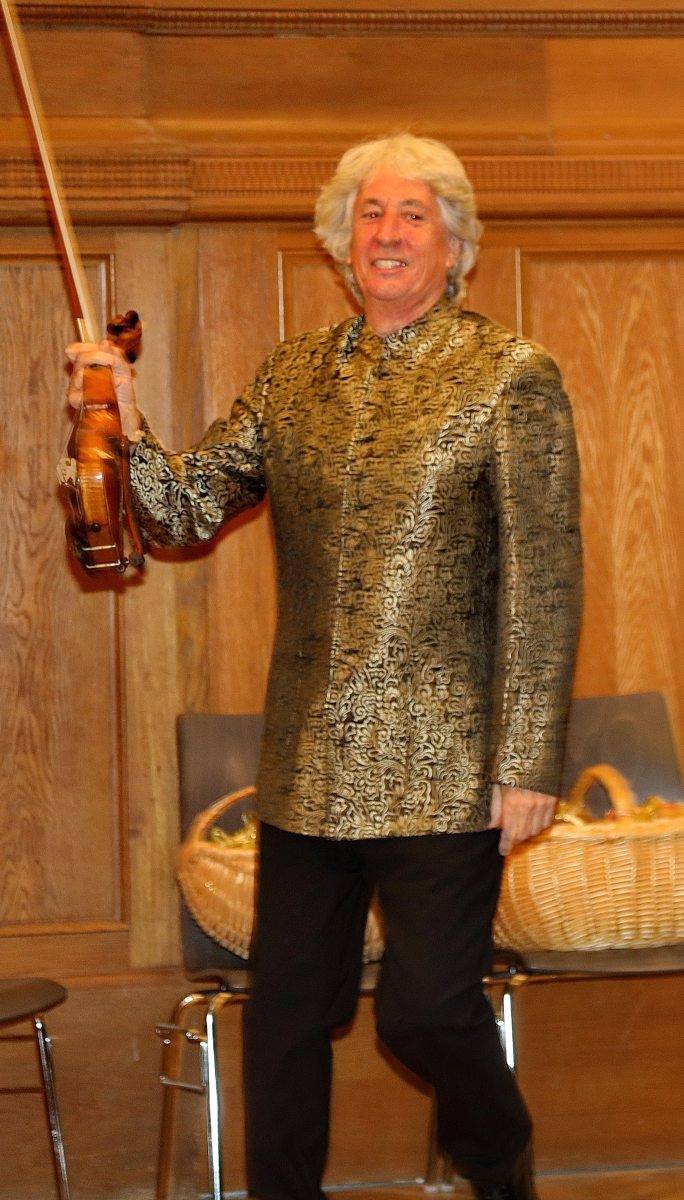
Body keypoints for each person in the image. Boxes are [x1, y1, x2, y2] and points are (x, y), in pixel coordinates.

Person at [66, 133, 582, 1200]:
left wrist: (529, 761)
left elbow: (545, 580)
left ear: (455, 245)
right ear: (343, 243)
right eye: (369, 214)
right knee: (287, 1020)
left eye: (412, 215)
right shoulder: (292, 373)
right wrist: (121, 414)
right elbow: (184, 512)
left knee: (425, 1011)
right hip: (308, 763)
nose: (386, 233)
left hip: (449, 767)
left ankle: (503, 1173)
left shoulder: (510, 376)